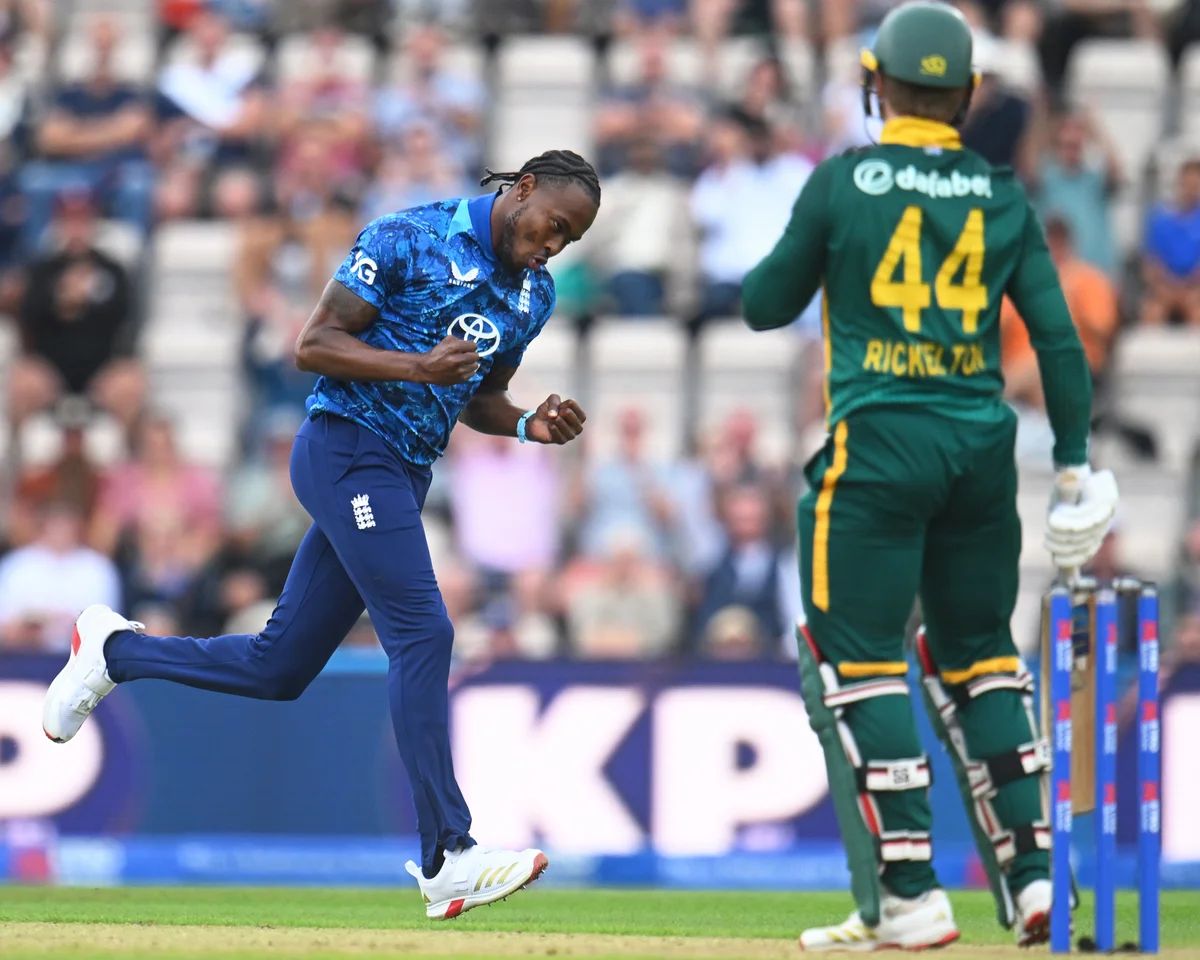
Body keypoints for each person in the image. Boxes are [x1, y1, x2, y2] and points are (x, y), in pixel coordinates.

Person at [43, 148, 601, 920]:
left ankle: (113, 652)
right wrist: (416, 368)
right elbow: (313, 344)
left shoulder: (533, 294)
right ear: (524, 189)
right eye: (553, 225)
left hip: (402, 472)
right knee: (424, 632)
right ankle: (448, 855)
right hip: (346, 447)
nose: (553, 246)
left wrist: (527, 422)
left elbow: (479, 395)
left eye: (570, 239)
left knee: (279, 667)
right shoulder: (408, 237)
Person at [741, 2, 1118, 951]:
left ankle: (909, 893)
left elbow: (763, 304)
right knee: (980, 657)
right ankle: (1036, 881)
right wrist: (1074, 465)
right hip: (980, 452)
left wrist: (827, 248)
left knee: (856, 660)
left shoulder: (843, 181)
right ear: (968, 95)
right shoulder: (1000, 194)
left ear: (878, 84)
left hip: (875, 443)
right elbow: (1059, 341)